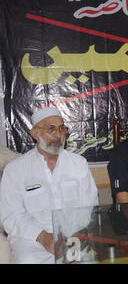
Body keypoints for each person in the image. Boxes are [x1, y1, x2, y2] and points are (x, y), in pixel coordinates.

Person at [0, 107, 99, 264]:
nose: (58, 135)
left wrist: (75, 235)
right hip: (32, 240)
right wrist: (44, 237)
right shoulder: (15, 169)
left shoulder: (78, 164)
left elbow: (90, 206)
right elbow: (11, 215)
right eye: (50, 129)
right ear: (35, 134)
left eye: (62, 129)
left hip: (73, 236)